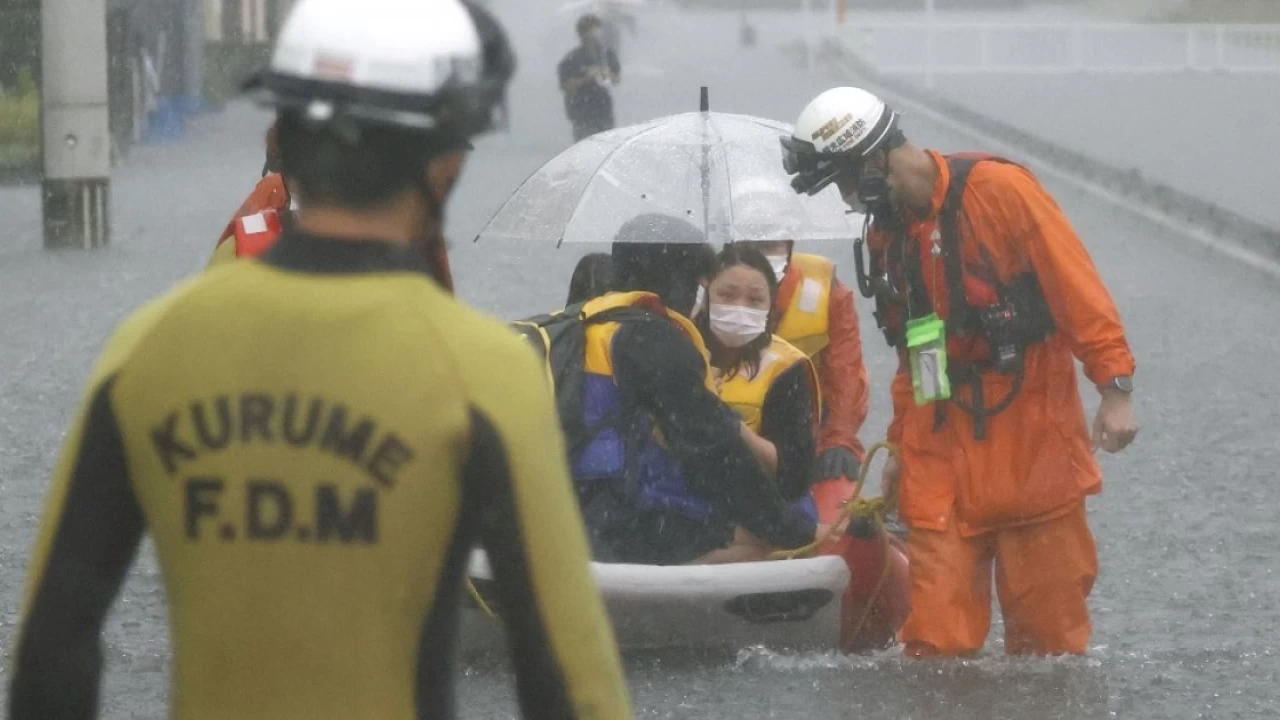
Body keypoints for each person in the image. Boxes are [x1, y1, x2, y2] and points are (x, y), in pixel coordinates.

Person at [8, 1, 632, 718]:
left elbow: (52, 651)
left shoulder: (146, 351)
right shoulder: (486, 375)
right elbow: (570, 680)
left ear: (283, 135)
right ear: (447, 160)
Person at [782, 86, 1140, 657]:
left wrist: (1114, 387)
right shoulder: (886, 235)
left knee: (1050, 647)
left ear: (874, 161)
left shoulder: (1002, 191)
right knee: (934, 650)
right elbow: (912, 355)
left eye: (845, 182)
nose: (849, 199)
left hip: (1032, 446)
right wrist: (900, 450)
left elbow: (1077, 290)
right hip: (938, 454)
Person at [569, 214, 834, 566]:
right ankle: (666, 610)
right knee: (762, 541)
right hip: (614, 522)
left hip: (565, 509)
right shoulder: (654, 340)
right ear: (680, 281)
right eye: (700, 282)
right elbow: (712, 449)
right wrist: (793, 531)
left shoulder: (582, 322)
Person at [734, 234, 870, 495]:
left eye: (769, 243)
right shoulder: (716, 289)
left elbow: (845, 373)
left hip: (812, 434)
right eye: (750, 243)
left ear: (788, 245)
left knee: (835, 515)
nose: (760, 253)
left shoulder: (827, 289)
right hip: (738, 436)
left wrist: (839, 440)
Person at [697, 243, 820, 503]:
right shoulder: (680, 350)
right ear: (706, 298)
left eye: (754, 299)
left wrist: (728, 423)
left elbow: (794, 474)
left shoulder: (785, 367)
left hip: (762, 506)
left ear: (769, 307)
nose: (740, 308)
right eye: (727, 295)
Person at [557, 13, 620, 143]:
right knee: (585, 145)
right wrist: (587, 78)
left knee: (606, 145)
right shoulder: (572, 58)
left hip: (603, 110)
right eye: (591, 31)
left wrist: (608, 74)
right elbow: (565, 85)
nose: (595, 35)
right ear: (582, 34)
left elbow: (616, 78)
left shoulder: (606, 54)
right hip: (582, 113)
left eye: (597, 31)